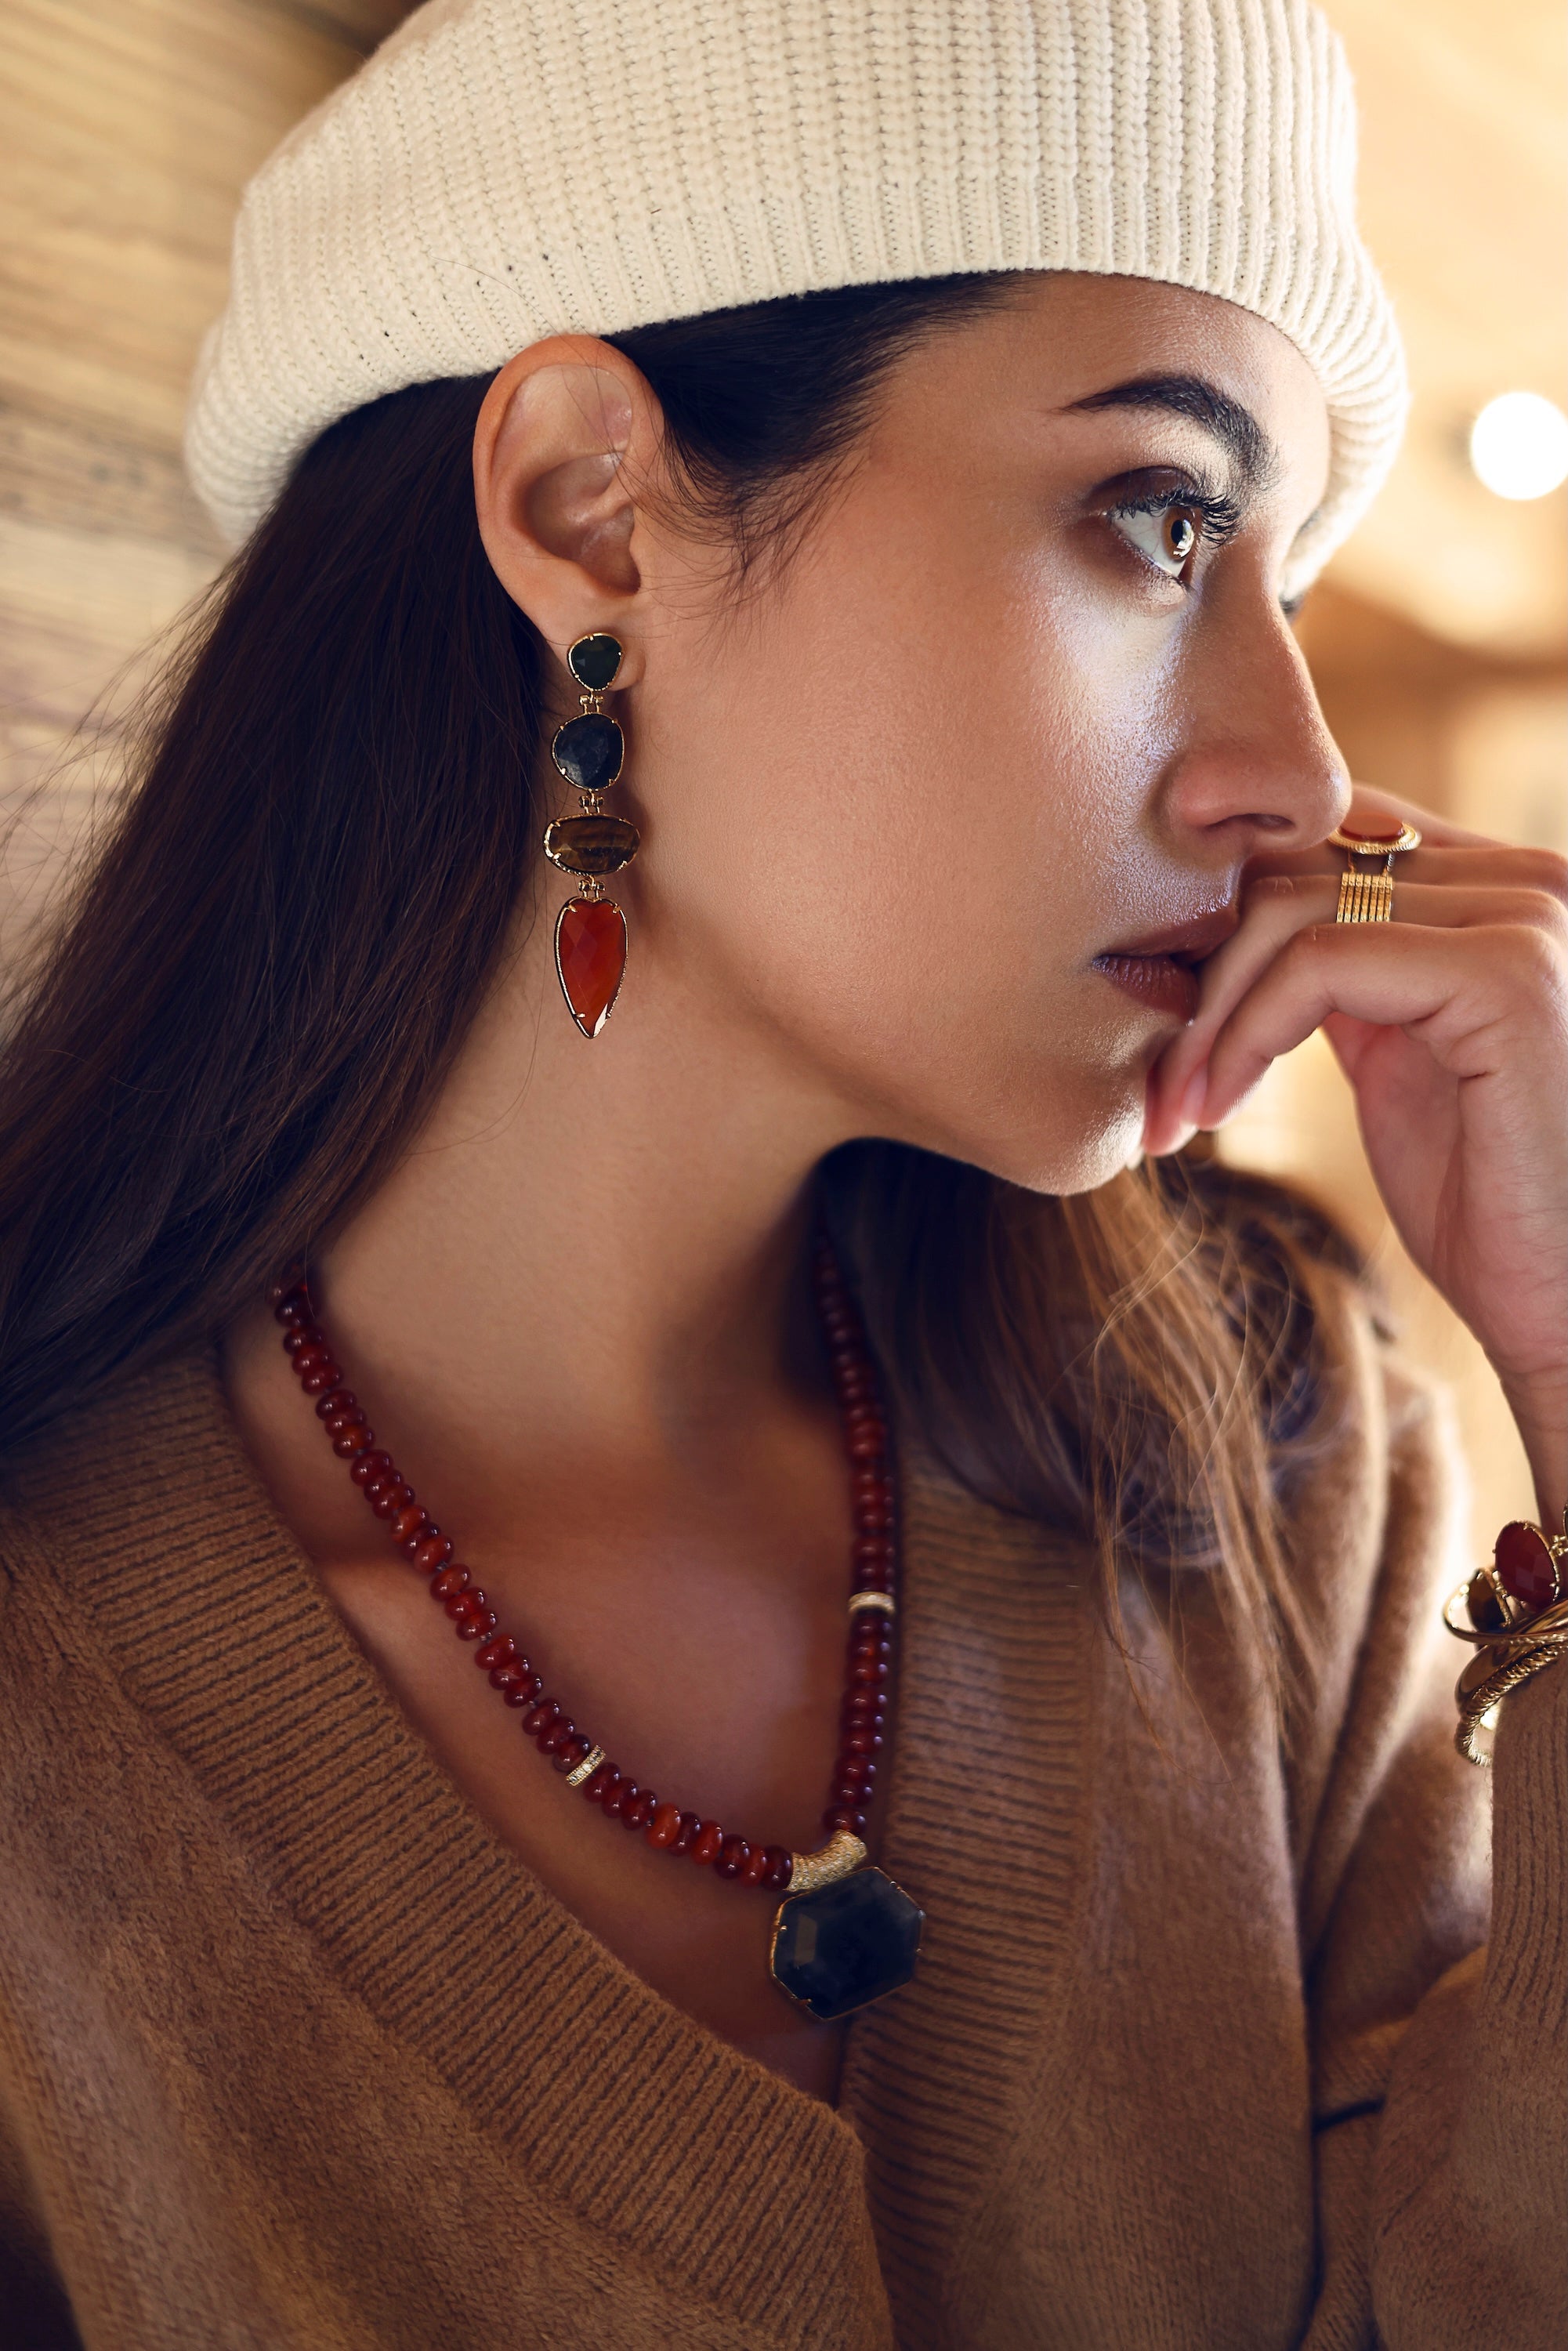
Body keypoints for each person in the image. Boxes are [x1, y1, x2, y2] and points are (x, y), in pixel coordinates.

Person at [0, 1, 1562, 2344]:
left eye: (1291, 589)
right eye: (1160, 521)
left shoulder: (1295, 1474)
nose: (1289, 769)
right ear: (583, 502)